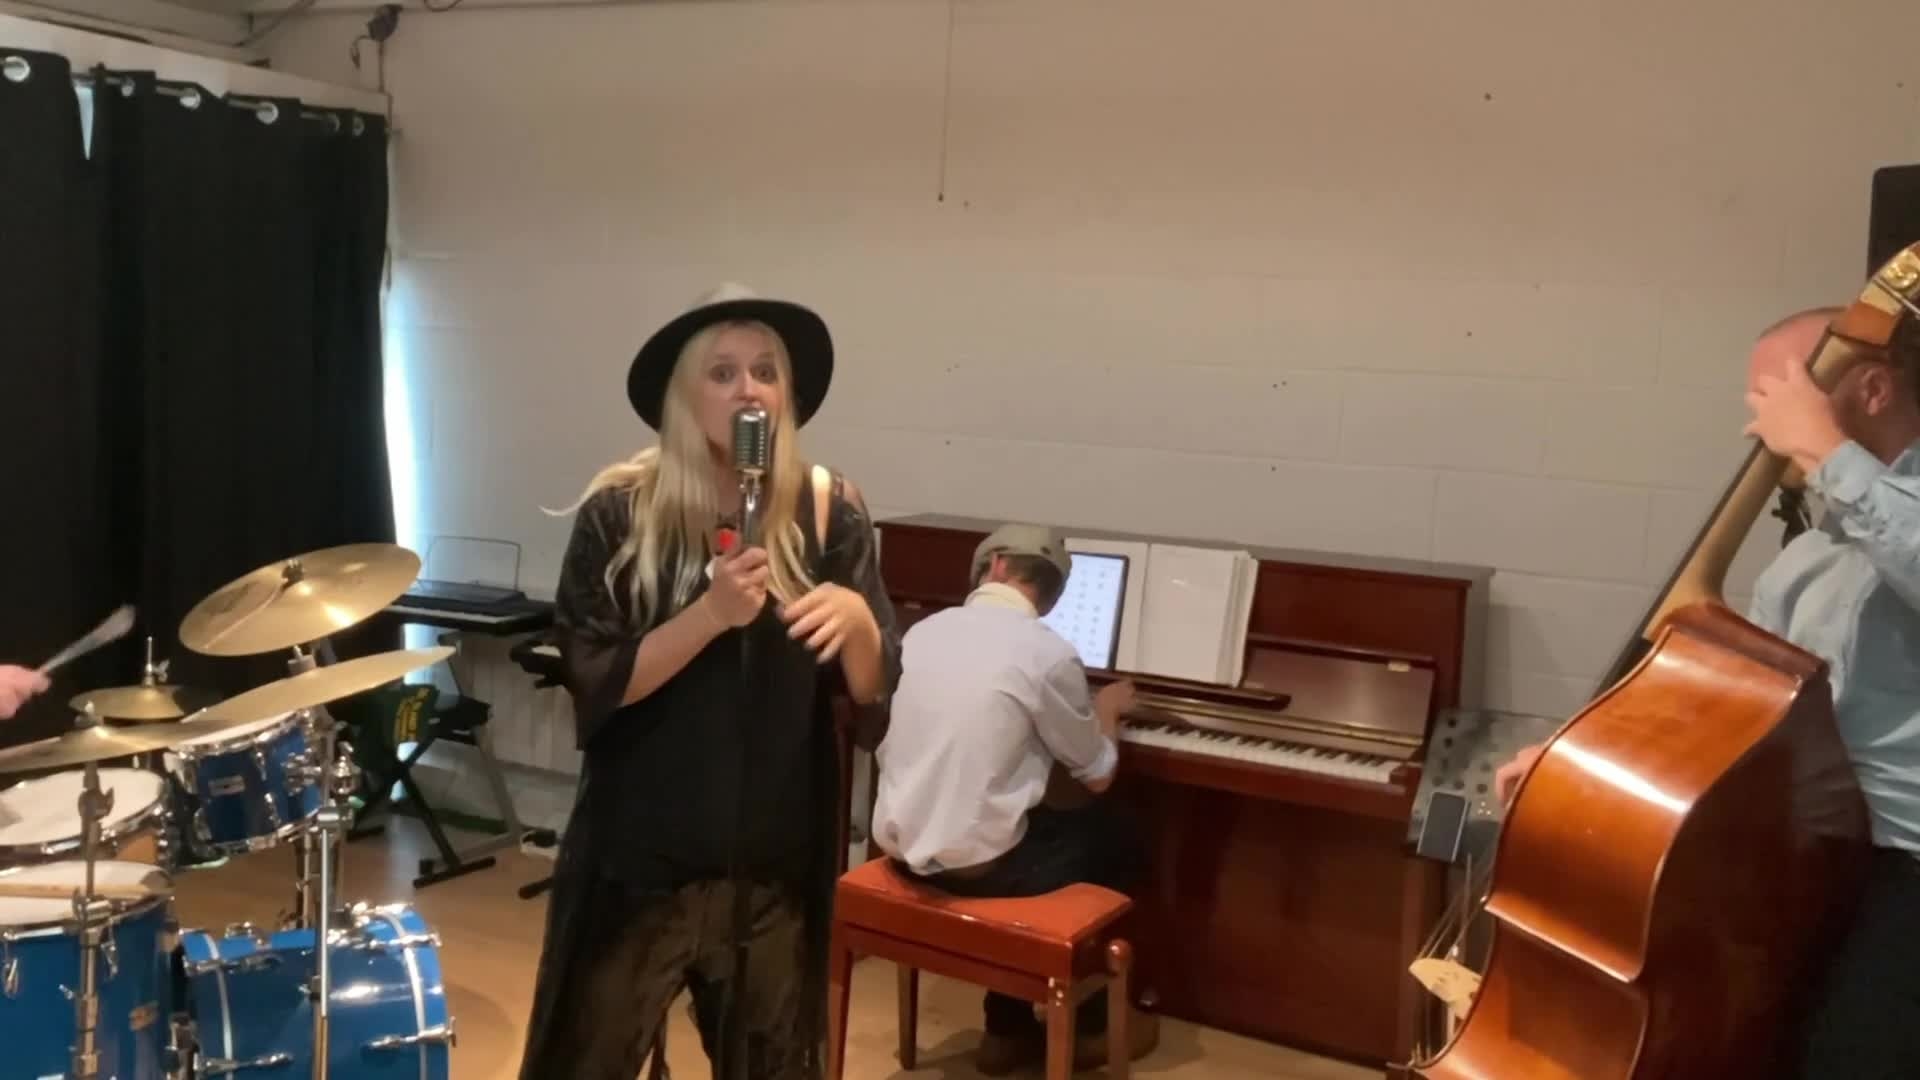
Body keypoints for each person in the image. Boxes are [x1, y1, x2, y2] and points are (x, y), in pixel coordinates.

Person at [1492, 305, 1920, 1079]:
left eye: (1783, 397)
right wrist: (1583, 770)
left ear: (1873, 390)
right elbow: (1735, 716)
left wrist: (1829, 452)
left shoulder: (1883, 517)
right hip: (1815, 862)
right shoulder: (1810, 559)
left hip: (1904, 875)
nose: (1762, 426)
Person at [516, 283, 902, 1080]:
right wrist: (710, 616)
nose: (748, 389)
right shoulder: (621, 513)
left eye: (765, 371)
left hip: (772, 872)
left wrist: (862, 627)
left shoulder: (829, 511)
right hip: (640, 863)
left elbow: (871, 697)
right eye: (723, 373)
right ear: (685, 395)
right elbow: (598, 680)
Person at [869, 522, 1159, 1074]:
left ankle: (1006, 1030)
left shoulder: (923, 632)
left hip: (902, 855)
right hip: (978, 870)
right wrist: (1108, 711)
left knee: (1021, 821)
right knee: (1121, 837)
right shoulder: (1048, 653)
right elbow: (1098, 774)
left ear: (996, 566)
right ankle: (1092, 1027)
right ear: (1052, 598)